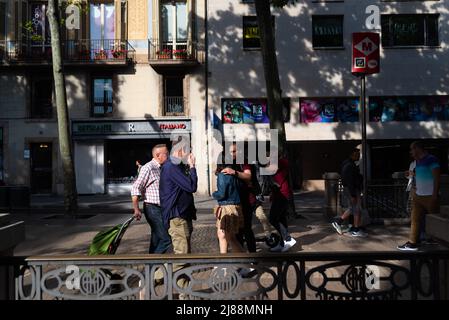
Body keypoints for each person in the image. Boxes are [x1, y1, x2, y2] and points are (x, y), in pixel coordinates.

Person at [160, 137, 197, 295]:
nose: (189, 153)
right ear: (179, 150)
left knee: (185, 258)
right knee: (182, 258)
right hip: (177, 217)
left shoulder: (177, 166)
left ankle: (185, 296)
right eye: (187, 149)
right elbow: (191, 186)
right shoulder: (172, 166)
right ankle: (151, 276)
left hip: (183, 216)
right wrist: (193, 167)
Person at [398, 141, 440, 251]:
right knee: (415, 220)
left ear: (418, 148)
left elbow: (436, 177)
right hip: (418, 195)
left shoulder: (432, 159)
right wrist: (413, 175)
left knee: (435, 220)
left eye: (412, 149)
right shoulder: (418, 161)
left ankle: (438, 244)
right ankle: (412, 243)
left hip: (430, 196)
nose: (411, 152)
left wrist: (435, 195)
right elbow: (423, 174)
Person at [131, 144, 171, 254]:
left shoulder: (162, 168)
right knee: (166, 239)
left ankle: (151, 267)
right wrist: (136, 209)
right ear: (158, 155)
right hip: (152, 208)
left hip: (161, 209)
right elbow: (136, 187)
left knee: (156, 239)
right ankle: (152, 264)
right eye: (166, 153)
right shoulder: (148, 168)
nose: (168, 155)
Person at [221, 142, 257, 253]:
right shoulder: (231, 162)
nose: (232, 154)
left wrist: (234, 172)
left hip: (247, 201)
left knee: (246, 229)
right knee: (238, 231)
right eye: (230, 152)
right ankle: (242, 259)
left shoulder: (244, 161)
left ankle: (252, 257)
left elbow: (248, 175)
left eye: (234, 151)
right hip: (237, 201)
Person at [332, 147, 367, 237]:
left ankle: (353, 227)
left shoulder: (349, 164)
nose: (359, 156)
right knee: (356, 209)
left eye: (359, 154)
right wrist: (353, 194)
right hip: (352, 189)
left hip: (351, 189)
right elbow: (350, 181)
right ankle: (354, 229)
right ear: (352, 154)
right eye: (357, 154)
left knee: (353, 208)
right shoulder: (349, 165)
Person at [266, 154, 297, 252]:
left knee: (273, 218)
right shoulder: (278, 163)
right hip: (281, 195)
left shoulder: (278, 163)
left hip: (282, 195)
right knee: (281, 218)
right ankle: (282, 243)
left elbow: (276, 182)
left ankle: (288, 238)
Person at [212, 161, 244, 254]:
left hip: (227, 208)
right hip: (235, 206)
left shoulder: (223, 174)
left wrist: (214, 194)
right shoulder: (234, 172)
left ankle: (224, 263)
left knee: (223, 236)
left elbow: (221, 194)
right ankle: (245, 264)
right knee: (230, 237)